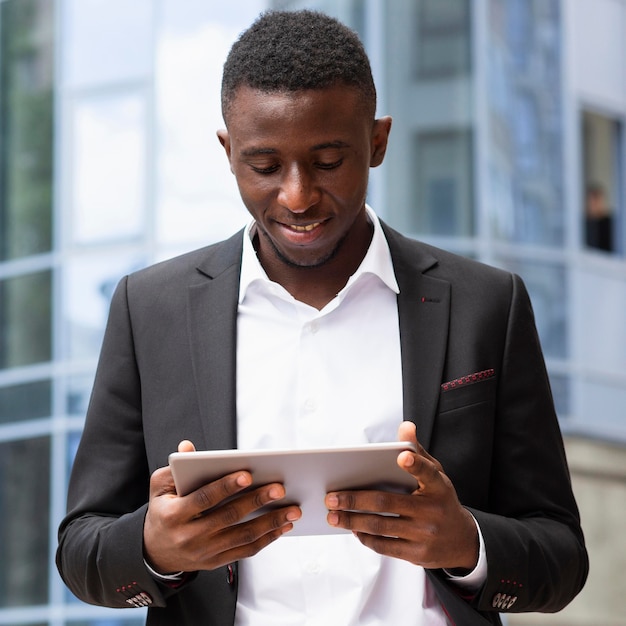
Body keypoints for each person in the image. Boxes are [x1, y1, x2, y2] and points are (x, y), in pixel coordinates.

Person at [56, 10, 588, 625]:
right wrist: (155, 548)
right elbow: (81, 550)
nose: (298, 195)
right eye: (263, 166)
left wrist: (465, 542)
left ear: (379, 142)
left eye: (330, 161)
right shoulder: (149, 310)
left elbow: (562, 557)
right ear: (228, 153)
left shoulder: (487, 305)